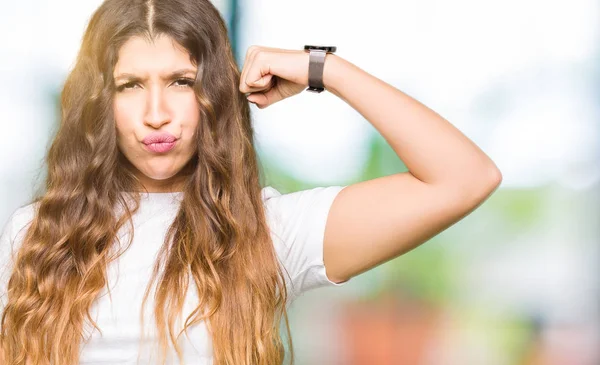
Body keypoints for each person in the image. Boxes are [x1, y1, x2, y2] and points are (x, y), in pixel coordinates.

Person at [0, 0, 502, 364]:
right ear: (99, 103)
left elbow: (465, 178)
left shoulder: (267, 231)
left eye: (182, 81)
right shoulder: (36, 235)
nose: (156, 114)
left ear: (214, 92)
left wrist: (323, 68)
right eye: (131, 85)